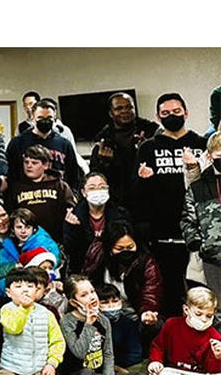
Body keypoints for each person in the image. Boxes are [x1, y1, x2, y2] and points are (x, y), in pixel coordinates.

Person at [131, 93, 208, 316]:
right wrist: (144, 180)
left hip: (198, 234)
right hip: (163, 235)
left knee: (201, 294)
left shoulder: (200, 144)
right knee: (170, 296)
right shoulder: (147, 148)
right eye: (165, 113)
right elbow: (136, 193)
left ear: (186, 112)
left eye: (176, 112)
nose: (171, 116)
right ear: (157, 116)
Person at [60, 275, 148, 375]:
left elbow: (108, 352)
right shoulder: (67, 321)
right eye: (84, 295)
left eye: (92, 291)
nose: (92, 297)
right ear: (73, 302)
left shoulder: (103, 320)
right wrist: (89, 324)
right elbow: (79, 352)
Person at [0, 267, 66, 375]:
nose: (25, 290)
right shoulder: (6, 310)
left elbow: (57, 341)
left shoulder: (47, 313)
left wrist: (51, 363)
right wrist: (24, 308)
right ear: (8, 292)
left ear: (36, 291)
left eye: (30, 286)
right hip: (12, 369)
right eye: (18, 286)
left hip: (39, 370)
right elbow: (14, 328)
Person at [82, 220, 162, 331]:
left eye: (130, 247)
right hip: (100, 312)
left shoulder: (146, 263)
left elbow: (151, 292)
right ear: (109, 248)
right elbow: (86, 280)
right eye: (119, 249)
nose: (125, 251)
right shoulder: (97, 253)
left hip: (134, 315)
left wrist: (146, 312)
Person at [148, 287, 221, 375]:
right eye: (198, 314)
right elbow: (158, 346)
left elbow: (212, 371)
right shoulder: (171, 325)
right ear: (186, 310)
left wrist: (218, 357)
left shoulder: (215, 336)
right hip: (175, 372)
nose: (204, 320)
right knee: (155, 374)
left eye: (209, 316)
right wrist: (156, 361)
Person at [89, 92, 159, 207]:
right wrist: (104, 163)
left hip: (149, 200)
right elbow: (94, 178)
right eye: (119, 108)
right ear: (111, 113)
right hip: (117, 204)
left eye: (129, 107)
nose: (124, 111)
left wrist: (146, 149)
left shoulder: (151, 132)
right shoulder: (102, 141)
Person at [63, 172, 132, 275]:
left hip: (116, 269)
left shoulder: (121, 214)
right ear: (83, 192)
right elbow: (71, 250)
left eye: (102, 187)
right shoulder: (73, 216)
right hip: (84, 271)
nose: (98, 191)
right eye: (92, 188)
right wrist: (74, 228)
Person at [5, 144, 76, 244]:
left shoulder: (60, 186)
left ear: (46, 165)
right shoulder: (16, 187)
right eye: (26, 162)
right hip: (26, 242)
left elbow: (71, 211)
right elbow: (10, 213)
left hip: (56, 241)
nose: (29, 166)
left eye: (34, 163)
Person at [5, 98, 81, 190]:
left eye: (49, 118)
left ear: (55, 119)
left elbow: (73, 174)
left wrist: (73, 195)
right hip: (26, 195)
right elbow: (10, 173)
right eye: (40, 118)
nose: (45, 121)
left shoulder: (64, 144)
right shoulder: (17, 143)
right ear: (32, 117)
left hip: (57, 196)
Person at [181, 132, 221, 301]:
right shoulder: (197, 187)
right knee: (216, 307)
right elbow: (187, 219)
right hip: (211, 258)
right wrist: (197, 244)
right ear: (210, 156)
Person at [0, 208, 61, 296]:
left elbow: (52, 265)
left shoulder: (43, 243)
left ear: (34, 229)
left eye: (28, 227)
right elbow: (2, 269)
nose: (23, 231)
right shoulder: (7, 246)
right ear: (13, 229)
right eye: (19, 227)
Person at [98, 284, 147, 372]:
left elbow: (135, 354)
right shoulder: (92, 324)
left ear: (121, 302)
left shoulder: (128, 322)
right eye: (105, 303)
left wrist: (115, 365)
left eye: (115, 301)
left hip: (124, 365)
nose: (111, 306)